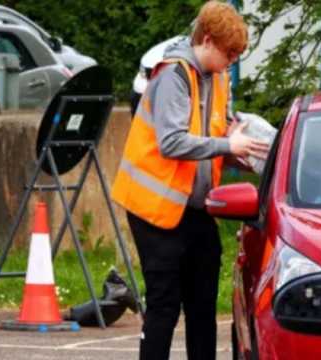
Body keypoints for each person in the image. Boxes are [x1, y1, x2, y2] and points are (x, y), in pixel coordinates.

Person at [111, 2, 269, 359]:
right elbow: (171, 142)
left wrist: (242, 154)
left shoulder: (218, 77)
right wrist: (229, 143)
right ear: (208, 41)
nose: (231, 61)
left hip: (193, 207)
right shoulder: (173, 74)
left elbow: (211, 140)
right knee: (164, 304)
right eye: (229, 53)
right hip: (154, 210)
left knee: (202, 305)